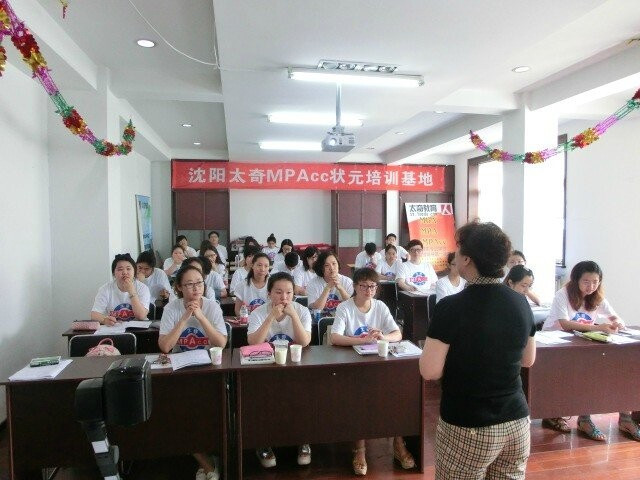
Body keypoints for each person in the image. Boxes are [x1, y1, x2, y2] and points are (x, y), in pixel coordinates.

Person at [420, 221, 536, 480]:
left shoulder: (450, 307)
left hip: (468, 423)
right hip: (516, 421)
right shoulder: (520, 302)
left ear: (467, 259)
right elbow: (528, 360)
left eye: (458, 249)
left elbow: (429, 371)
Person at [541, 261, 639, 441]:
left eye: (595, 282)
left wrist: (617, 322)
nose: (591, 286)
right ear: (576, 280)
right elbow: (565, 324)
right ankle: (557, 415)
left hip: (581, 343)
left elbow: (615, 316)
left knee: (608, 369)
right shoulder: (563, 294)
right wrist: (598, 327)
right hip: (555, 344)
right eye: (586, 281)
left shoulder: (597, 296)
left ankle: (607, 418)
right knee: (576, 375)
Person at [331, 268, 415, 475]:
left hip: (379, 364)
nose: (369, 290)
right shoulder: (345, 307)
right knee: (360, 399)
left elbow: (397, 334)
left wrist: (383, 337)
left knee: (398, 395)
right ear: (355, 287)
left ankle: (398, 444)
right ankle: (360, 449)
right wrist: (362, 340)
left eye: (372, 286)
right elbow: (335, 337)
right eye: (364, 286)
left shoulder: (380, 306)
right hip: (353, 367)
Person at [158, 264, 226, 480]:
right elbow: (165, 346)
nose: (196, 288)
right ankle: (206, 463)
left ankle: (212, 459)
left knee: (212, 413)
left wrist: (201, 316)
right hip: (181, 372)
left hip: (210, 370)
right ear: (179, 287)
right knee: (178, 415)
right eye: (189, 284)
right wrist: (185, 318)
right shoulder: (172, 308)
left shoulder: (212, 307)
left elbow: (221, 343)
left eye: (199, 283)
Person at [247, 272, 313, 468]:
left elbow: (304, 341)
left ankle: (303, 440)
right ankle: (263, 443)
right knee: (261, 399)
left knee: (304, 397)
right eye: (278, 292)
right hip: (266, 369)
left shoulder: (301, 311)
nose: (284, 297)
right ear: (269, 294)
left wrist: (293, 316)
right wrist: (270, 318)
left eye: (289, 292)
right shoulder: (258, 313)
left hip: (296, 368)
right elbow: (253, 343)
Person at [91, 254, 151, 325]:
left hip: (138, 328)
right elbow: (94, 314)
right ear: (114, 273)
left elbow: (141, 316)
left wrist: (131, 291)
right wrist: (104, 320)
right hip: (114, 328)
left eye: (128, 269)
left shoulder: (143, 288)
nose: (125, 272)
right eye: (120, 269)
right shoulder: (105, 289)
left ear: (134, 271)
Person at [307, 250, 354, 317]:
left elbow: (352, 305)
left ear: (338, 265)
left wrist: (341, 288)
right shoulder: (313, 283)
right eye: (326, 265)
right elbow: (317, 307)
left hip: (343, 319)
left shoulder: (347, 282)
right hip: (320, 320)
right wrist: (328, 288)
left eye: (334, 263)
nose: (331, 268)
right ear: (321, 268)